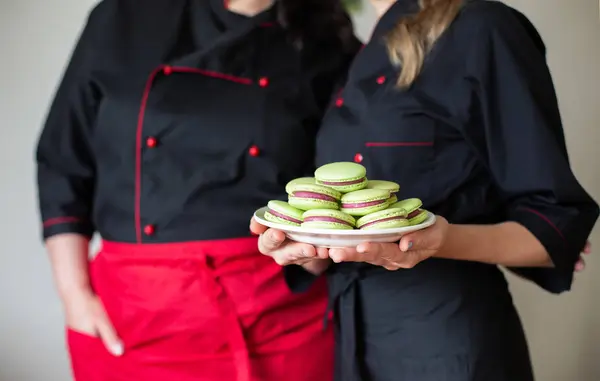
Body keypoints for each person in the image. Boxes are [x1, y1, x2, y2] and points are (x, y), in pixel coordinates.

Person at [252, 0, 599, 380]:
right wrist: (308, 250)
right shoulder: (359, 56)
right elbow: (348, 234)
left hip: (445, 342)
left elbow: (557, 229)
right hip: (355, 340)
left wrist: (438, 240)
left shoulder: (481, 27)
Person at [35, 0, 360, 380]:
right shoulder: (125, 16)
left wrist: (315, 254)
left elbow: (329, 191)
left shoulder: (328, 42)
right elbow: (63, 159)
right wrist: (75, 296)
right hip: (136, 317)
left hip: (280, 317)